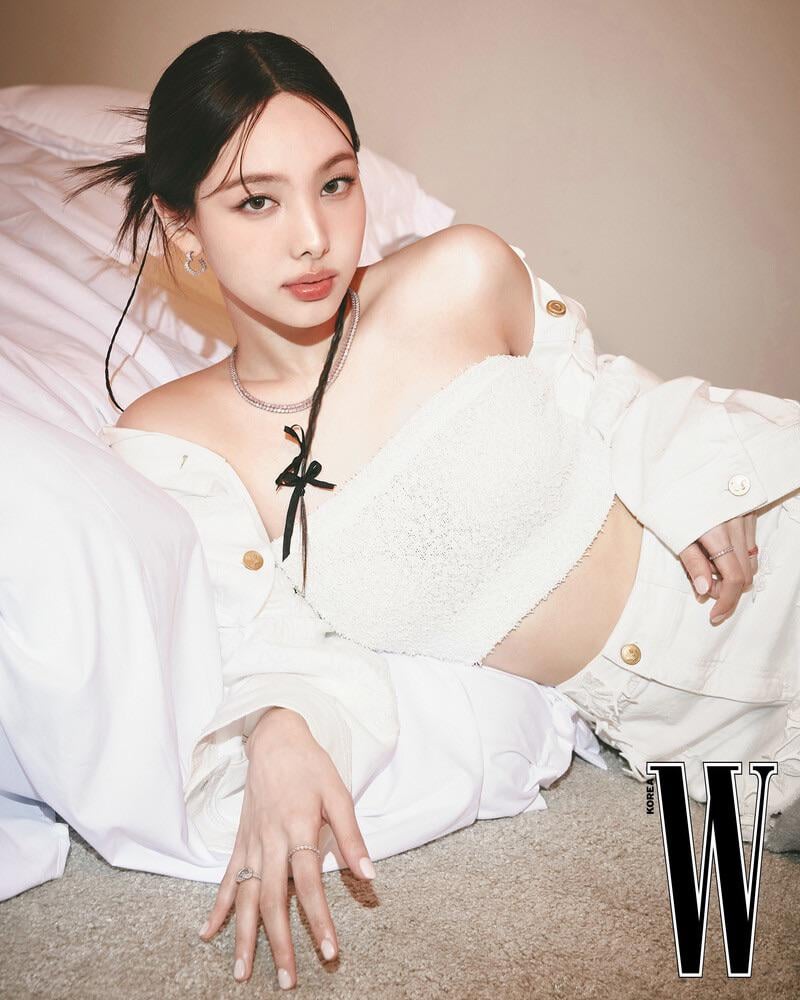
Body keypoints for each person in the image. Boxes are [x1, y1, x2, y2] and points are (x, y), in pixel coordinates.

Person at [70, 29, 800, 992]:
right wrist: (280, 726)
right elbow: (257, 628)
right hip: (697, 740)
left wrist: (706, 470)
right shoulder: (174, 439)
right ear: (183, 226)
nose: (313, 236)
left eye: (336, 183)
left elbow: (612, 395)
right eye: (257, 200)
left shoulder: (459, 272)